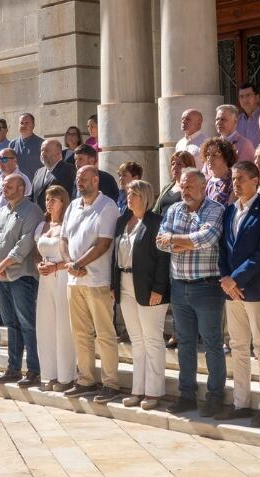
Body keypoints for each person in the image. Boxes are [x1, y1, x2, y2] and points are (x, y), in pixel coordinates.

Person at [157, 168, 227, 417]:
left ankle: (215, 396)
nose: (185, 191)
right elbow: (159, 241)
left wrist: (176, 240)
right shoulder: (174, 209)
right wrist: (186, 241)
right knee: (185, 343)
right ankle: (187, 395)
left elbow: (207, 238)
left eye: (190, 186)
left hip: (207, 287)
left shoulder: (215, 209)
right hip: (179, 286)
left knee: (212, 344)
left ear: (203, 186)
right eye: (182, 186)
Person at [219, 160, 260, 425]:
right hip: (231, 291)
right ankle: (241, 402)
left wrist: (236, 279)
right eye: (234, 178)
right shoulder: (229, 210)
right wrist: (225, 278)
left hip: (254, 289)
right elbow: (223, 247)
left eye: (242, 178)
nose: (237, 183)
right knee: (239, 347)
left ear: (256, 180)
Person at [60, 166, 120, 402]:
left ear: (96, 180)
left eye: (83, 179)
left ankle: (111, 382)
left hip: (98, 279)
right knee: (80, 333)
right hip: (74, 280)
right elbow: (63, 239)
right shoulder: (73, 205)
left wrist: (79, 263)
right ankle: (85, 379)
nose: (79, 183)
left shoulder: (108, 206)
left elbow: (104, 243)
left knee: (104, 333)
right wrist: (70, 264)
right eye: (77, 179)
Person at [112, 178, 170, 409]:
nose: (129, 197)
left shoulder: (157, 222)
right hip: (125, 284)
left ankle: (154, 392)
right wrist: (113, 286)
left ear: (145, 197)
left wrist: (159, 288)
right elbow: (113, 256)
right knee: (136, 340)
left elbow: (163, 259)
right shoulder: (122, 221)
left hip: (149, 286)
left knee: (152, 339)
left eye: (134, 194)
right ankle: (138, 390)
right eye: (128, 193)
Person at [0, 175, 43, 387]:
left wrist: (4, 264)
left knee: (27, 323)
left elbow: (25, 243)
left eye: (8, 186)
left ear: (21, 188)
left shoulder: (32, 211)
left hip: (21, 276)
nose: (4, 190)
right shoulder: (1, 211)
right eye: (3, 187)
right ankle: (13, 368)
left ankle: (34, 370)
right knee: (11, 324)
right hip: (0, 276)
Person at [35, 185, 76, 392]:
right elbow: (37, 253)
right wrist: (40, 265)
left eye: (54, 199)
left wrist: (56, 266)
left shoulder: (68, 225)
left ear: (63, 202)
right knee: (46, 325)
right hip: (45, 278)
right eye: (47, 199)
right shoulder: (43, 225)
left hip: (62, 275)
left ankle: (66, 375)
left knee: (63, 326)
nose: (49, 203)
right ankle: (49, 373)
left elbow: (72, 254)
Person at [31, 139, 76, 212]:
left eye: (47, 151)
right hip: (37, 218)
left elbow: (67, 197)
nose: (43, 153)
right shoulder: (39, 172)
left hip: (56, 218)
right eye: (42, 150)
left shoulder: (69, 170)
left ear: (58, 153)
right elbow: (32, 197)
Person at [0, 149, 32, 216]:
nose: (0, 162)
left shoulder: (23, 179)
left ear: (15, 160)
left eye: (4, 159)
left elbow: (27, 204)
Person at [154, 151, 196, 217]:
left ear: (188, 167)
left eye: (179, 164)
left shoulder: (194, 188)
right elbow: (156, 211)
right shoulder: (167, 187)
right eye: (173, 164)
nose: (174, 167)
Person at [200, 137, 236, 207]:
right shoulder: (206, 181)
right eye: (207, 154)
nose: (209, 158)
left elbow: (231, 211)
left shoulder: (233, 180)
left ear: (226, 156)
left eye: (214, 155)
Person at [10, 113, 45, 180]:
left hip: (35, 185)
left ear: (33, 125)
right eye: (21, 123)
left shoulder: (41, 144)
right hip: (17, 185)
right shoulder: (12, 144)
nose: (23, 125)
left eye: (27, 123)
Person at [236, 82, 260, 147]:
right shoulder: (237, 121)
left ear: (256, 97)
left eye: (248, 95)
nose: (244, 100)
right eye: (241, 96)